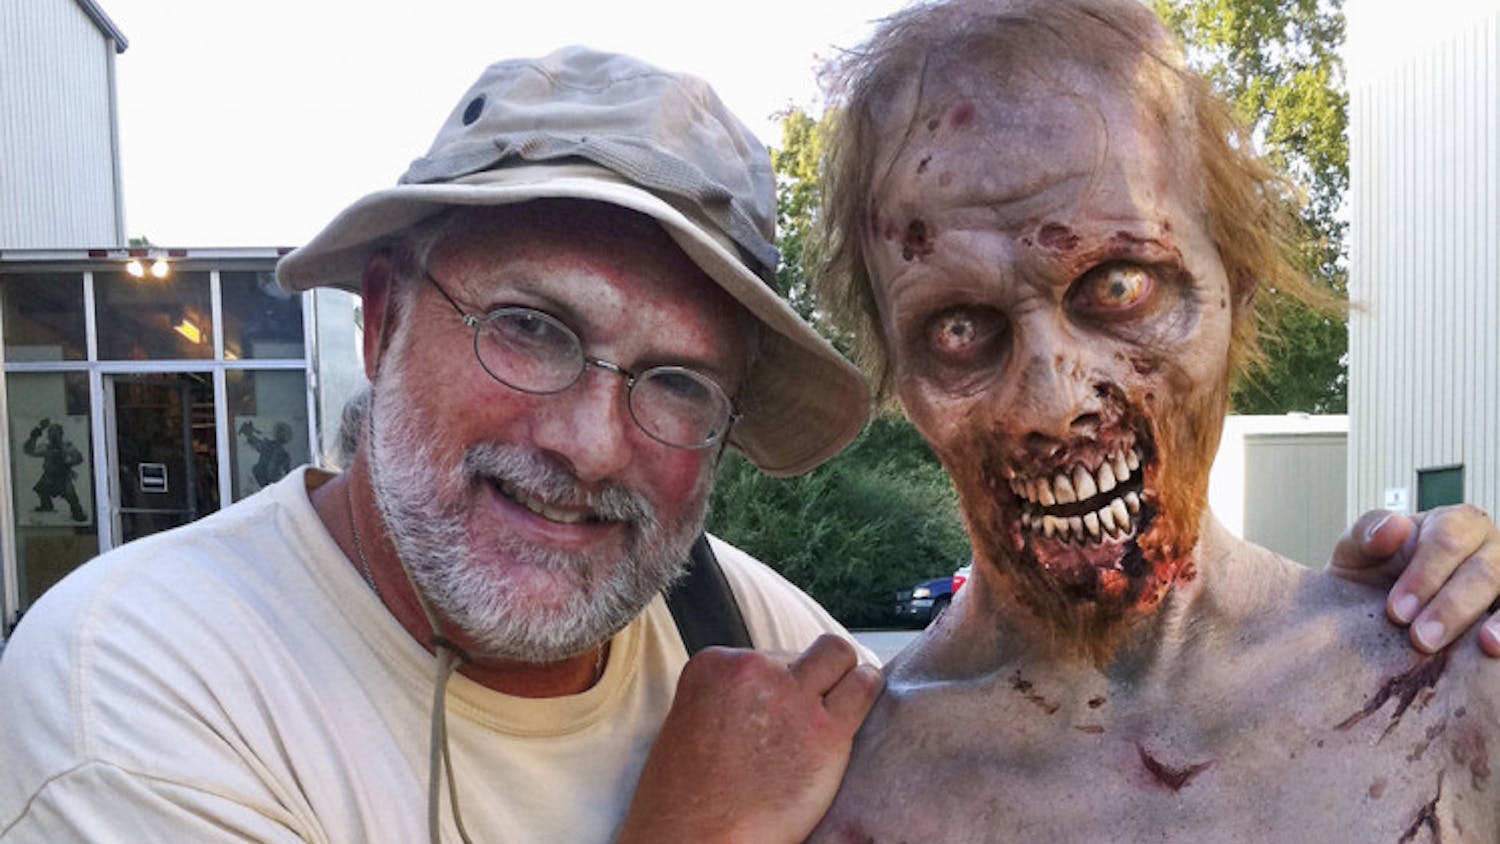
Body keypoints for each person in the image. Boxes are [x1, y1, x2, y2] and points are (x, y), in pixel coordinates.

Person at [0, 44, 1493, 844]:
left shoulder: (772, 656)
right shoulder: (141, 684)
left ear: (1238, 300)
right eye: (530, 327)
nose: (590, 440)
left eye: (674, 384)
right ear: (383, 325)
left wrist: (1432, 592)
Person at [804, 1, 1500, 840]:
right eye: (957, 328)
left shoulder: (1455, 691)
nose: (1051, 405)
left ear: (1234, 289)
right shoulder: (834, 786)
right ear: (898, 373)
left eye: (1120, 286)